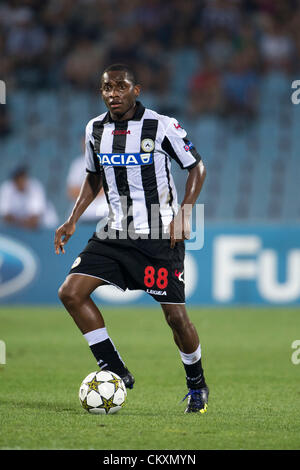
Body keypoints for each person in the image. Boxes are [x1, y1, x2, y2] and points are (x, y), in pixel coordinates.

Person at [55, 64, 208, 414]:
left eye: (120, 87)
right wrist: (72, 219)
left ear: (135, 90)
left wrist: (185, 212)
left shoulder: (161, 125)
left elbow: (196, 166)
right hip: (113, 233)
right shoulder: (94, 129)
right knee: (70, 292)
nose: (113, 94)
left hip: (158, 237)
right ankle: (115, 369)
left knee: (175, 318)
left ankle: (197, 385)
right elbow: (93, 177)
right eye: (107, 88)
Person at [0, 165, 58, 230]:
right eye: (18, 178)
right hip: (21, 230)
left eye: (22, 177)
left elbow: (34, 221)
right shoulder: (6, 188)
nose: (21, 181)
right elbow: (5, 217)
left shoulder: (35, 187)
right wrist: (22, 222)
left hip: (45, 226)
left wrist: (16, 221)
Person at [67, 138, 109, 224]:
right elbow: (71, 192)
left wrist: (83, 191)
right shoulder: (77, 164)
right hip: (82, 216)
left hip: (104, 214)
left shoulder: (106, 161)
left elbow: (103, 189)